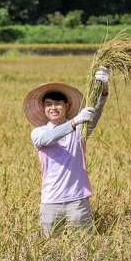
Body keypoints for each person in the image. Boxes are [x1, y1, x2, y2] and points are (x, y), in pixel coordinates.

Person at [23, 69, 109, 237]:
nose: (53, 108)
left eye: (58, 104)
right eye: (48, 104)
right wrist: (74, 121)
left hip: (77, 201)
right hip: (50, 201)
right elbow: (48, 139)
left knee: (83, 248)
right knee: (50, 251)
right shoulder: (38, 132)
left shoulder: (79, 130)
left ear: (67, 106)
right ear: (43, 108)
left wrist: (103, 89)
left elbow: (95, 112)